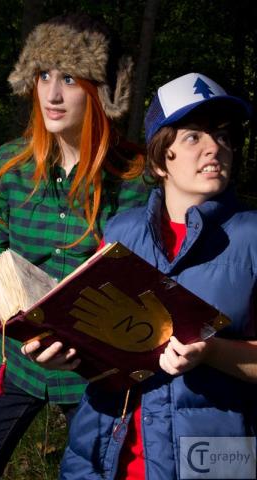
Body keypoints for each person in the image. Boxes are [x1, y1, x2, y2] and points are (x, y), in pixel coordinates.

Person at [0, 14, 152, 479]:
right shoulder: (10, 166)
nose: (52, 95)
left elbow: (138, 288)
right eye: (43, 75)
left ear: (100, 90)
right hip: (13, 366)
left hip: (91, 377)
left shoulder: (136, 177)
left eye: (69, 79)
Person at [59, 73, 257, 479]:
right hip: (104, 457)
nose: (214, 147)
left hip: (210, 462)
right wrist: (66, 350)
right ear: (159, 159)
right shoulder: (121, 232)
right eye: (193, 137)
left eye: (223, 135)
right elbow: (100, 343)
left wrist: (212, 352)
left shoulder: (253, 237)